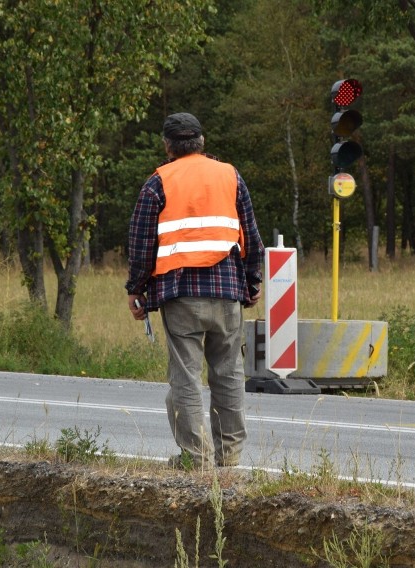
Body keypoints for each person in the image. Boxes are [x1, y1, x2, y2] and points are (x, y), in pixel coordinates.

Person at [125, 112, 264, 471]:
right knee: (229, 373)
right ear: (202, 142)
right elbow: (250, 237)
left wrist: (136, 291)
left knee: (185, 376)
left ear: (167, 145)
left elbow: (141, 244)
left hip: (180, 293)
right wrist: (251, 284)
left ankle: (196, 458)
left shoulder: (158, 182)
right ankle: (229, 457)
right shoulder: (230, 176)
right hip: (227, 290)